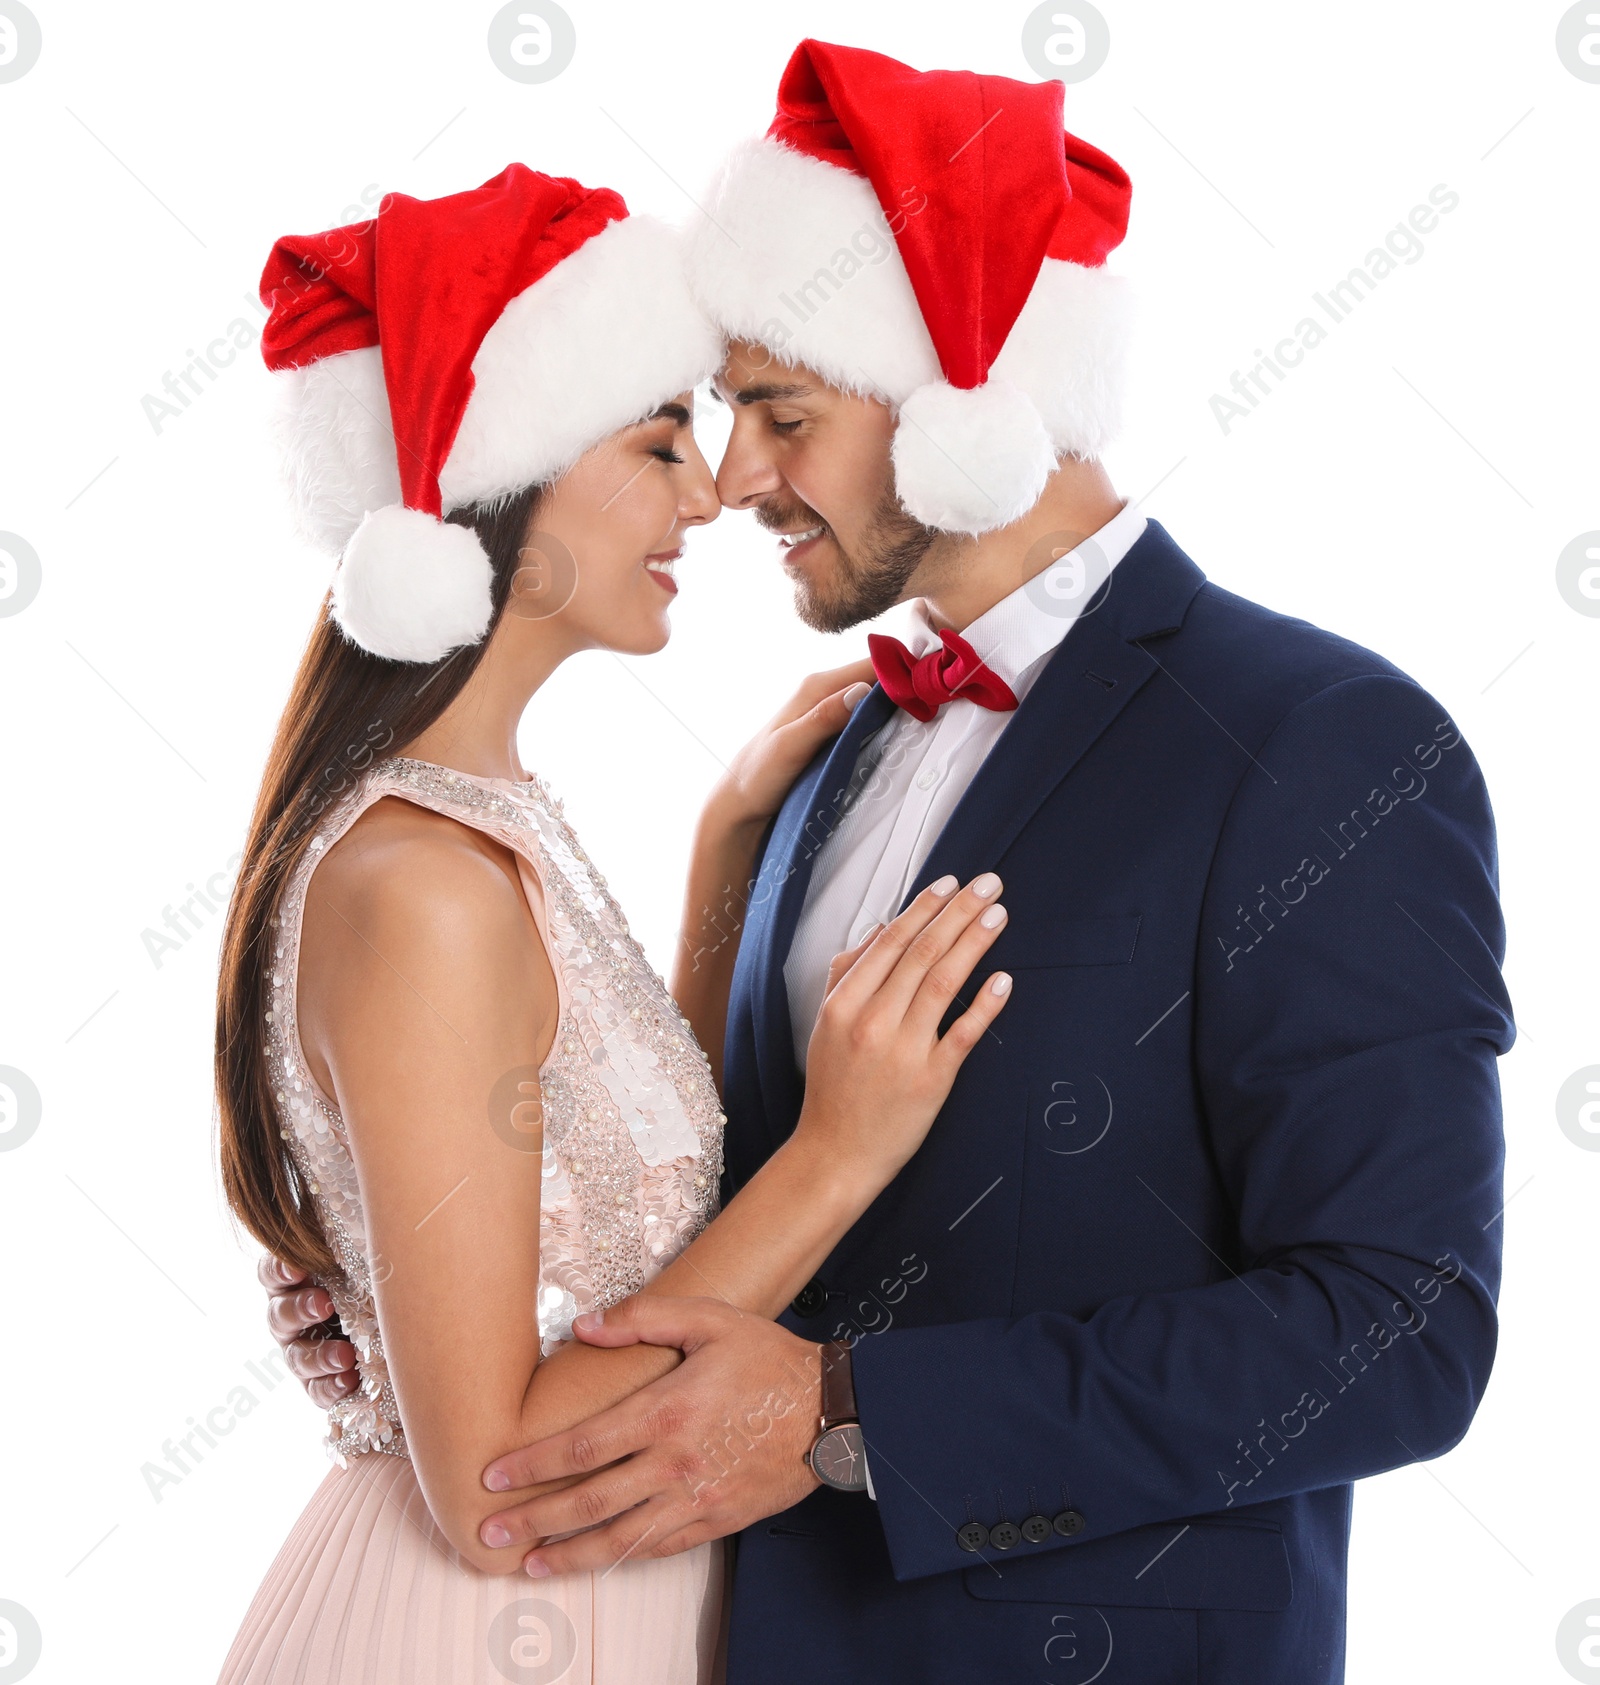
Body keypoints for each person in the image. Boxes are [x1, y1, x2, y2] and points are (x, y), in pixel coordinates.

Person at [270, 41, 1513, 1685]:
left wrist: (852, 1410)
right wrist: (414, 1270)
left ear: (972, 407)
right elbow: (686, 1205)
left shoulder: (1320, 744)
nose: (739, 482)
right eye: (714, 422)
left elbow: (1405, 1326)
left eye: (783, 414)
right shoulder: (823, 756)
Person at [216, 161, 1014, 1685]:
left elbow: (607, 1179)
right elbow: (498, 1482)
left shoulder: (476, 824)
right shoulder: (426, 886)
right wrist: (840, 1153)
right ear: (499, 486)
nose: (710, 494)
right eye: (661, 444)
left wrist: (722, 860)